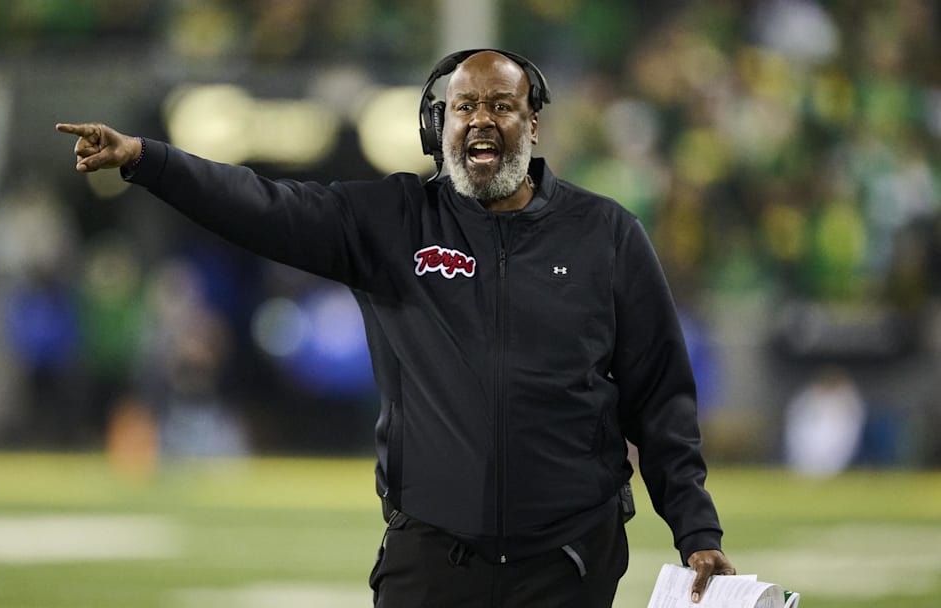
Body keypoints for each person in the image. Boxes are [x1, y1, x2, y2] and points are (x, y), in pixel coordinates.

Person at [58, 48, 734, 607]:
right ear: (438, 127)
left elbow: (660, 399)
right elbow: (260, 205)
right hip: (432, 556)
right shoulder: (393, 220)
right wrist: (149, 160)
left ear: (535, 126)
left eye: (502, 105)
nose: (481, 121)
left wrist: (695, 530)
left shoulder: (607, 234)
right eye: (465, 107)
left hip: (567, 564)